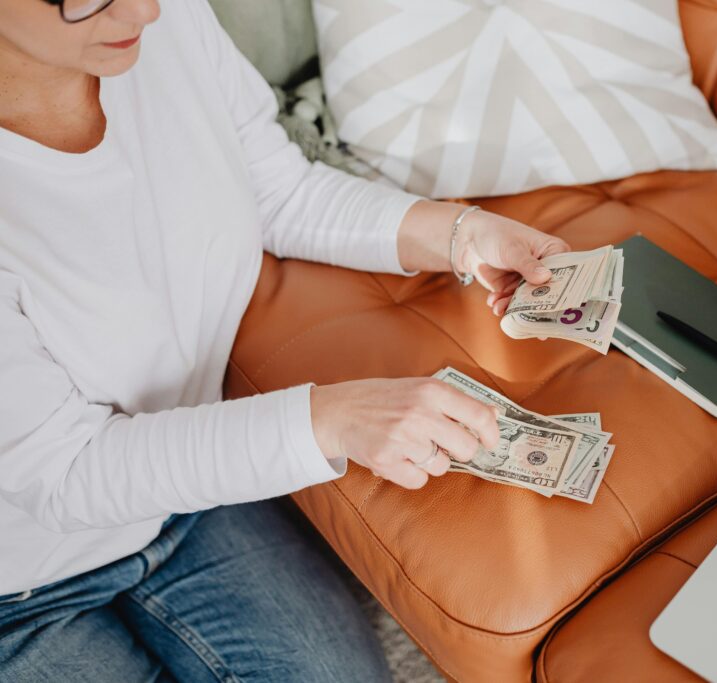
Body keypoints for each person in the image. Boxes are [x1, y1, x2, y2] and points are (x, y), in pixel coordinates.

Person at [0, 0, 570, 679]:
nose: (146, 9)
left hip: (186, 498)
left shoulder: (165, 22)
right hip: (20, 581)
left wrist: (461, 235)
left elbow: (279, 191)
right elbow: (65, 471)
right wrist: (330, 418)